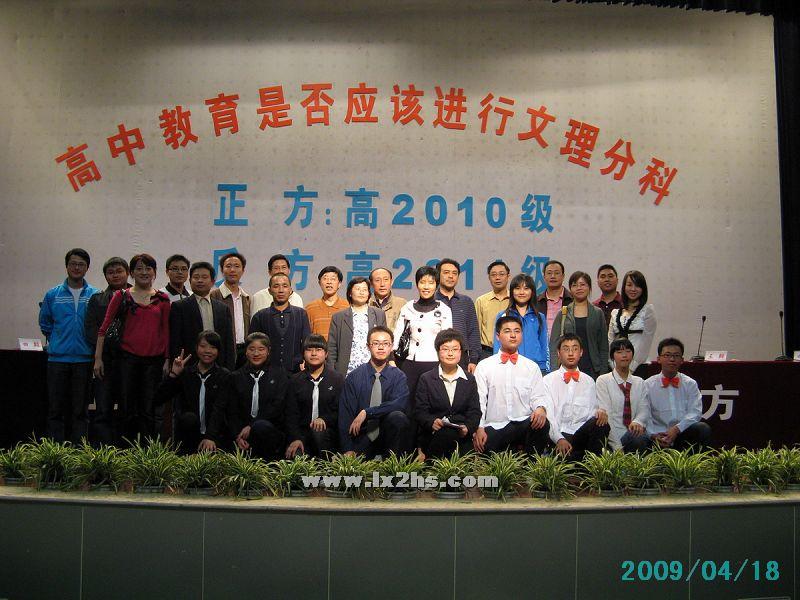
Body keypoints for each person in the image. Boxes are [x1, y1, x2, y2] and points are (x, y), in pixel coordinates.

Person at [95, 253, 171, 442]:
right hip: (126, 360)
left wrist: (167, 359)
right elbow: (104, 328)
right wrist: (98, 359)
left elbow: (166, 331)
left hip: (153, 362)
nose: (144, 272)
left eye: (148, 268)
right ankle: (124, 451)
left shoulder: (162, 299)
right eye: (139, 269)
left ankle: (147, 452)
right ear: (132, 273)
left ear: (155, 272)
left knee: (148, 409)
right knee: (126, 407)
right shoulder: (122, 296)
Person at [39, 248, 99, 443]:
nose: (76, 268)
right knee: (55, 409)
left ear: (87, 268)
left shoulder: (95, 295)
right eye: (73, 263)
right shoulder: (53, 294)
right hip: (57, 360)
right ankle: (55, 452)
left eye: (81, 264)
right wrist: (58, 341)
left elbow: (98, 325)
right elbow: (45, 323)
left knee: (80, 410)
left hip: (84, 359)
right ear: (66, 266)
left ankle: (79, 451)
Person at [472, 315, 550, 455]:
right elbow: (479, 401)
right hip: (495, 427)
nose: (513, 335)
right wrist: (479, 427)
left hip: (523, 424)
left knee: (543, 423)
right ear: (498, 336)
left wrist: (540, 408)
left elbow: (538, 396)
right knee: (485, 448)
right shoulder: (484, 366)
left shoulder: (531, 367)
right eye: (507, 331)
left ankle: (531, 464)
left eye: (517, 331)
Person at [339, 326, 411, 457]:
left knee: (398, 417)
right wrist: (347, 448)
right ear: (368, 346)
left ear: (391, 347)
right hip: (361, 437)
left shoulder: (399, 376)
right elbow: (345, 414)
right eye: (376, 343)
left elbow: (399, 404)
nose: (381, 347)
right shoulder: (354, 377)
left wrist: (367, 412)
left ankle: (394, 464)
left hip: (388, 437)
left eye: (385, 343)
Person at [155, 331, 231, 454]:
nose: (207, 351)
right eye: (203, 346)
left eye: (212, 347)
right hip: (188, 435)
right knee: (188, 418)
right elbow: (159, 398)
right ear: (196, 348)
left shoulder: (224, 375)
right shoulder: (186, 373)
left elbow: (219, 408)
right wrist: (173, 374)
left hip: (214, 437)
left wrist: (210, 436)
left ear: (218, 351)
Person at [392, 266, 453, 414]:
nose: (426, 287)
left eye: (431, 283)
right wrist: (392, 359)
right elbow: (398, 335)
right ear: (417, 284)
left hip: (434, 363)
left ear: (436, 285)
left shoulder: (444, 309)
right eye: (422, 282)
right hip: (408, 363)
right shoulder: (407, 307)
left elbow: (447, 340)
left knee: (430, 404)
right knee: (408, 405)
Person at [538, 334, 610, 461]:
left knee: (600, 421)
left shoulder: (589, 381)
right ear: (558, 353)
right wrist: (559, 439)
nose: (571, 353)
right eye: (566, 349)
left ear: (581, 352)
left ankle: (593, 464)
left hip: (581, 435)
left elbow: (591, 413)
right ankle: (574, 460)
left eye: (575, 349)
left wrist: (600, 412)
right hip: (558, 435)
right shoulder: (547, 381)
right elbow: (549, 416)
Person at [414, 329, 481, 459]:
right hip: (434, 436)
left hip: (461, 437)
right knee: (444, 436)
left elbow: (475, 411)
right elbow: (419, 411)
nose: (450, 353)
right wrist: (431, 422)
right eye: (445, 349)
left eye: (455, 349)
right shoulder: (426, 378)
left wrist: (467, 428)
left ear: (461, 352)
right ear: (438, 351)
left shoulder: (469, 379)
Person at [84, 257, 130, 445]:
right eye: (110, 272)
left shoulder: (137, 297)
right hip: (104, 362)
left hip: (129, 361)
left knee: (128, 409)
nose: (115, 275)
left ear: (128, 273)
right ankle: (104, 453)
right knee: (103, 409)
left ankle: (125, 450)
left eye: (119, 271)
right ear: (105, 276)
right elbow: (90, 329)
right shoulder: (97, 299)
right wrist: (101, 353)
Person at [225, 332, 289, 460]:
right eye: (252, 349)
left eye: (261, 349)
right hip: (242, 433)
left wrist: (251, 426)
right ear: (246, 351)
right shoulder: (235, 377)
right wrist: (237, 436)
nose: (256, 353)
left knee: (261, 427)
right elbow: (231, 411)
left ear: (268, 351)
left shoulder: (279, 374)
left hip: (271, 430)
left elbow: (277, 406)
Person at [644, 337, 711, 451]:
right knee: (639, 437)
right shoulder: (647, 385)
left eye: (676, 356)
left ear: (682, 360)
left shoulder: (690, 384)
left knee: (703, 429)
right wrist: (653, 435)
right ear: (659, 359)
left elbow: (695, 412)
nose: (672, 359)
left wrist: (676, 429)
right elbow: (644, 414)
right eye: (667, 355)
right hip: (657, 436)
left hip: (682, 433)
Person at [169, 262, 235, 371]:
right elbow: (175, 341)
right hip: (189, 367)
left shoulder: (223, 308)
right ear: (190, 280)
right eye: (196, 277)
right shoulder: (179, 307)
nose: (200, 280)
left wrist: (229, 369)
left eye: (204, 277)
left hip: (219, 368)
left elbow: (228, 343)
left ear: (212, 281)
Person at [285, 334, 343, 458]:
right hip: (302, 435)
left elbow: (340, 411)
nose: (314, 354)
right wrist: (296, 438)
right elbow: (291, 414)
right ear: (303, 354)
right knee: (295, 455)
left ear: (326, 354)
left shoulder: (337, 379)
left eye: (318, 349)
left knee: (319, 433)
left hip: (328, 434)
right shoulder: (295, 381)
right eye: (309, 350)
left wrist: (324, 419)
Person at [549, 271, 609, 380]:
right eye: (575, 285)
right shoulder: (563, 313)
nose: (579, 288)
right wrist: (555, 371)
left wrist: (603, 373)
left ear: (589, 287)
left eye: (582, 284)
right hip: (567, 369)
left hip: (593, 369)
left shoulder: (598, 313)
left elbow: (603, 346)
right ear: (570, 289)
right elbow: (554, 344)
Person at [595, 338, 651, 452]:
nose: (624, 355)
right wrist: (617, 446)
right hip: (611, 436)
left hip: (633, 433)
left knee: (641, 437)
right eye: (619, 352)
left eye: (628, 351)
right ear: (612, 357)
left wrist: (637, 421)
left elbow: (644, 409)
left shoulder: (639, 382)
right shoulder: (603, 380)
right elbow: (607, 415)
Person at [249, 273, 311, 374]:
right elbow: (252, 346)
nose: (281, 290)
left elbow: (307, 343)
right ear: (269, 291)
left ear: (290, 290)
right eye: (276, 286)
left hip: (296, 372)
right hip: (267, 373)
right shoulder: (260, 316)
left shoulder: (301, 314)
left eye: (285, 286)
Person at [327, 277, 386, 375]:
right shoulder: (339, 317)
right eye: (358, 289)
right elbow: (332, 347)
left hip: (373, 369)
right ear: (350, 293)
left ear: (368, 294)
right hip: (346, 370)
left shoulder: (379, 314)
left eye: (365, 290)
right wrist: (331, 372)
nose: (361, 292)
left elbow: (385, 342)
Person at [494, 273, 548, 374]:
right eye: (517, 288)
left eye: (526, 288)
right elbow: (497, 344)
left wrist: (544, 367)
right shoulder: (503, 316)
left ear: (532, 292)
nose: (522, 292)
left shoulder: (539, 317)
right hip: (510, 366)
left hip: (536, 368)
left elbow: (544, 345)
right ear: (512, 291)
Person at [435, 259, 481, 372]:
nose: (451, 276)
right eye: (446, 272)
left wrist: (473, 360)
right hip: (434, 357)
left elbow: (473, 332)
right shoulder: (431, 300)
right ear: (438, 275)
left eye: (454, 273)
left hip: (461, 358)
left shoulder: (466, 302)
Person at [608, 270, 657, 376]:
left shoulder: (648, 311)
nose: (633, 289)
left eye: (637, 285)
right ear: (624, 287)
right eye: (629, 285)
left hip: (639, 367)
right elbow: (610, 341)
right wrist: (614, 366)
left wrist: (630, 368)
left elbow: (646, 343)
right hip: (616, 369)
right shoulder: (615, 313)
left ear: (643, 289)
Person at [211, 252, 251, 368]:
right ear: (222, 270)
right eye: (228, 266)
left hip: (244, 351)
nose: (232, 270)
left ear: (243, 270)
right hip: (223, 351)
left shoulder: (246, 298)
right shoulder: (214, 296)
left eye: (237, 266)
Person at [474, 260, 511, 360]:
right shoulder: (481, 301)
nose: (497, 278)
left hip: (511, 351)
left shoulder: (515, 300)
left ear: (508, 276)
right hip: (486, 352)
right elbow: (476, 331)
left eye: (501, 274)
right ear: (489, 278)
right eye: (493, 275)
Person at [305, 266, 349, 339]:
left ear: (339, 284)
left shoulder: (347, 307)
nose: (329, 282)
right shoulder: (310, 308)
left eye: (333, 279)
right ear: (319, 283)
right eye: (325, 279)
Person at [536, 259, 573, 339]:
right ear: (544, 277)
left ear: (563, 276)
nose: (553, 276)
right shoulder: (536, 302)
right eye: (549, 273)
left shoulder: (572, 300)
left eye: (557, 273)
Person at [368, 267, 407, 331]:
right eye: (377, 280)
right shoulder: (366, 304)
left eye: (386, 279)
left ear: (391, 282)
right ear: (371, 283)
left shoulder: (402, 304)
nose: (382, 284)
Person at [593, 264, 622, 330]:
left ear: (617, 280)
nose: (607, 279)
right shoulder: (593, 307)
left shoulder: (626, 304)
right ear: (598, 282)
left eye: (610, 276)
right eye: (603, 277)